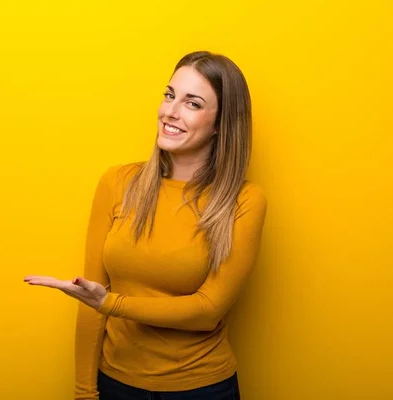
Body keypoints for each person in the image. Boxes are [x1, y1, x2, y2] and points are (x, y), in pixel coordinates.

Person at [24, 51, 268, 400]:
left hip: (202, 389)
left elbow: (207, 311)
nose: (171, 111)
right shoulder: (118, 182)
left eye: (192, 103)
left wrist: (110, 303)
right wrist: (83, 391)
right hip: (115, 384)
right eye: (169, 95)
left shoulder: (244, 201)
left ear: (221, 124)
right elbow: (89, 296)